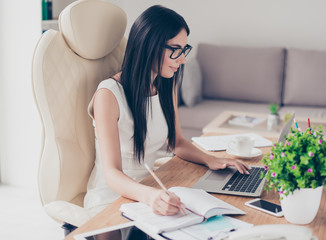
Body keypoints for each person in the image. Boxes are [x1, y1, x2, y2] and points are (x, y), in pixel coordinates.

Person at [84, 5, 251, 217]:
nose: (182, 60)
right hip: (113, 198)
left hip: (152, 189)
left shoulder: (165, 85)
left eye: (184, 50)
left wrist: (211, 160)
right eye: (176, 50)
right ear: (149, 46)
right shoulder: (108, 94)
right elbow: (112, 173)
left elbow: (177, 141)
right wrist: (150, 196)